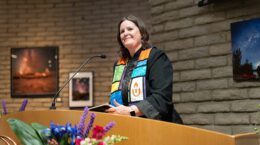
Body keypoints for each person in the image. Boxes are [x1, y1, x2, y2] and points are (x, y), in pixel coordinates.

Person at [106, 15, 183, 124]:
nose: (125, 33)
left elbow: (161, 98)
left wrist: (130, 111)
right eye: (122, 31)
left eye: (130, 29)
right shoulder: (119, 65)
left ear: (141, 33)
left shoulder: (156, 57)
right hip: (127, 125)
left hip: (158, 127)